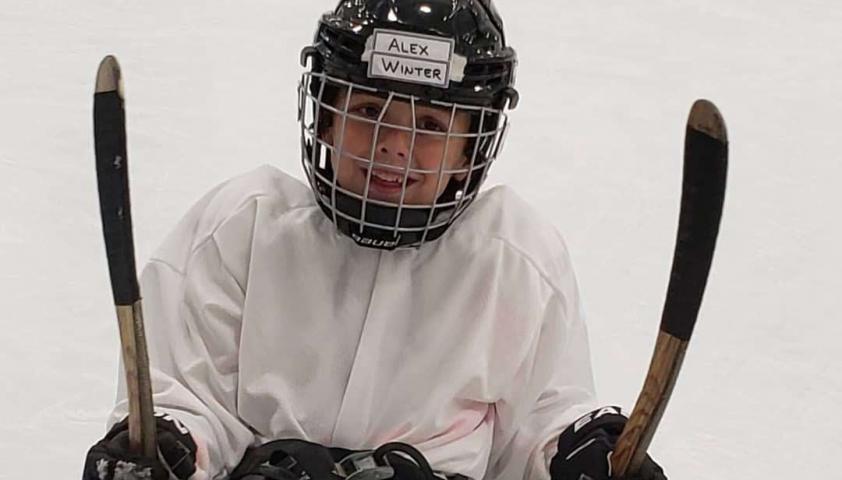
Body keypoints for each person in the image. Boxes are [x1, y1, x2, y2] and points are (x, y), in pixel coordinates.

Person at [83, 1, 668, 479]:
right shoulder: (243, 226)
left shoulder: (513, 258)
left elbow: (538, 422)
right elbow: (182, 392)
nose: (393, 142)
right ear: (328, 115)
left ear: (473, 145)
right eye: (369, 108)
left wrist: (576, 450)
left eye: (433, 123)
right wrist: (165, 443)